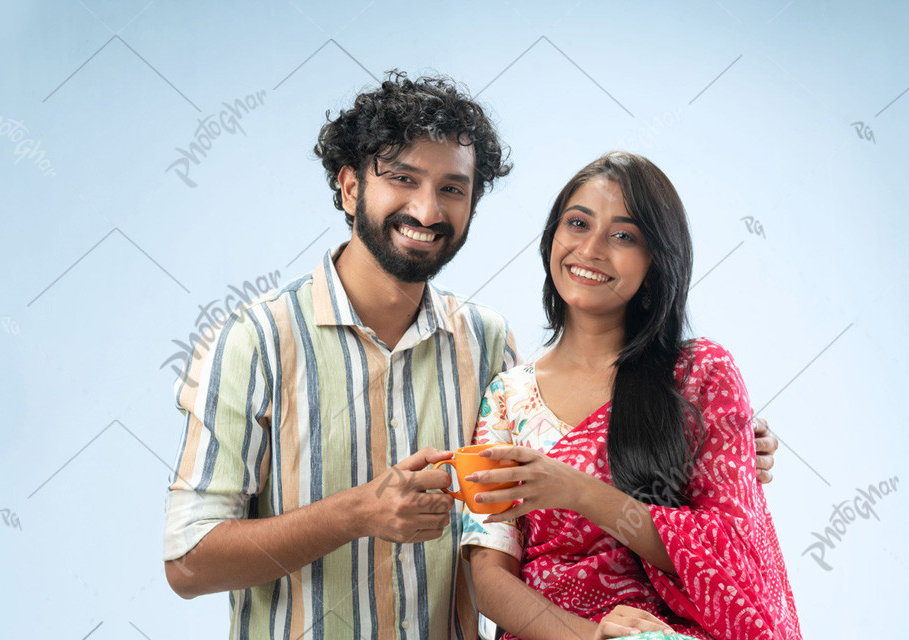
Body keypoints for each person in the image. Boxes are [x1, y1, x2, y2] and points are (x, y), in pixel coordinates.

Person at [162, 73, 780, 639]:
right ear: (350, 187)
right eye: (402, 178)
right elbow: (188, 563)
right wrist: (358, 512)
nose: (428, 211)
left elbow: (582, 437)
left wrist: (720, 431)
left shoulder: (485, 346)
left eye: (452, 189)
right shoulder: (256, 341)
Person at [462, 152, 800, 640]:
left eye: (623, 235)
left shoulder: (698, 375)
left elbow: (731, 560)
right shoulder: (507, 397)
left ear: (655, 262)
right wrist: (591, 635)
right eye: (577, 223)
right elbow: (490, 580)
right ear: (551, 239)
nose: (592, 248)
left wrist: (576, 490)